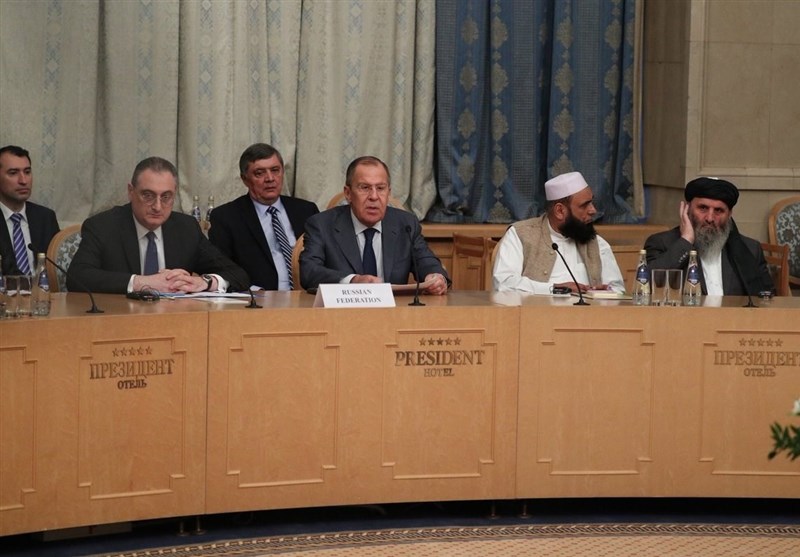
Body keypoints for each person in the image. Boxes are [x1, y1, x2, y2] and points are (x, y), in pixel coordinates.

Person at [67, 156, 249, 294]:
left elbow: (238, 274)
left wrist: (204, 282)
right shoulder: (103, 226)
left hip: (175, 322)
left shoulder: (186, 228)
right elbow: (77, 277)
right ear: (131, 191)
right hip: (119, 321)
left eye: (166, 197)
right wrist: (142, 282)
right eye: (148, 195)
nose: (157, 206)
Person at [300, 155, 449, 294]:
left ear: (388, 192)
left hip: (393, 311)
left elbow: (426, 261)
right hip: (341, 311)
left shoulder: (406, 224)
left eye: (380, 188)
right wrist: (353, 281)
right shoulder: (321, 225)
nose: (374, 196)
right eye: (365, 188)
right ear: (348, 193)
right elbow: (309, 272)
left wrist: (435, 276)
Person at [493, 171, 625, 294]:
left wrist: (605, 292)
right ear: (560, 211)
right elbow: (504, 284)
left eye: (591, 202)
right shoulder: (520, 235)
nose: (593, 210)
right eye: (584, 205)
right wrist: (555, 289)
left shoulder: (597, 244)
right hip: (536, 311)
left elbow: (618, 289)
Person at [209, 143, 319, 290]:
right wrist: (254, 292)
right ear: (245, 179)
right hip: (259, 298)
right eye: (259, 173)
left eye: (275, 170)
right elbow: (223, 270)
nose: (270, 178)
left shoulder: (306, 210)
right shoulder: (226, 217)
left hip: (306, 295)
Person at [644, 177, 773, 296]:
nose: (710, 218)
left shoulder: (750, 249)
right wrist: (686, 241)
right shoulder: (662, 243)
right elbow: (645, 285)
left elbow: (767, 297)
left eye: (718, 211)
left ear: (729, 215)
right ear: (687, 209)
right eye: (703, 208)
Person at [0, 145, 60, 275]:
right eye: (13, 173)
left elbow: (56, 269)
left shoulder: (45, 217)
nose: (23, 180)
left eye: (27, 172)